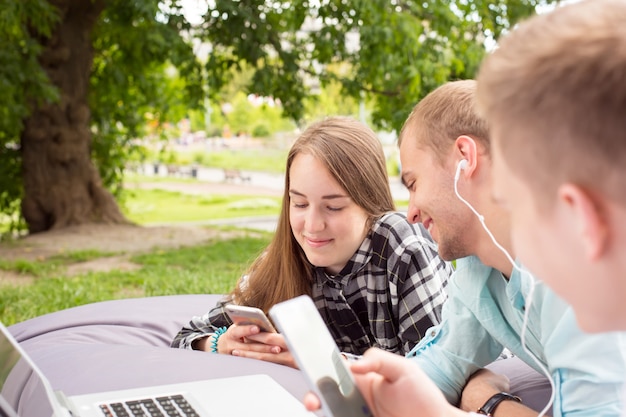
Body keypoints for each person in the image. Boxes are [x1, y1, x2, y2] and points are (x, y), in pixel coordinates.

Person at [304, 2, 626, 417]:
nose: (411, 213)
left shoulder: (577, 274)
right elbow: (445, 362)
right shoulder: (485, 273)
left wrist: (484, 402)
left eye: (515, 197)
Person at [172, 116, 452, 367]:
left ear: (369, 202)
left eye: (334, 207)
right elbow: (188, 335)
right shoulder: (285, 257)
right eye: (300, 203)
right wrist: (220, 344)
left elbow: (439, 373)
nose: (312, 226)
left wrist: (324, 362)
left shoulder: (402, 244)